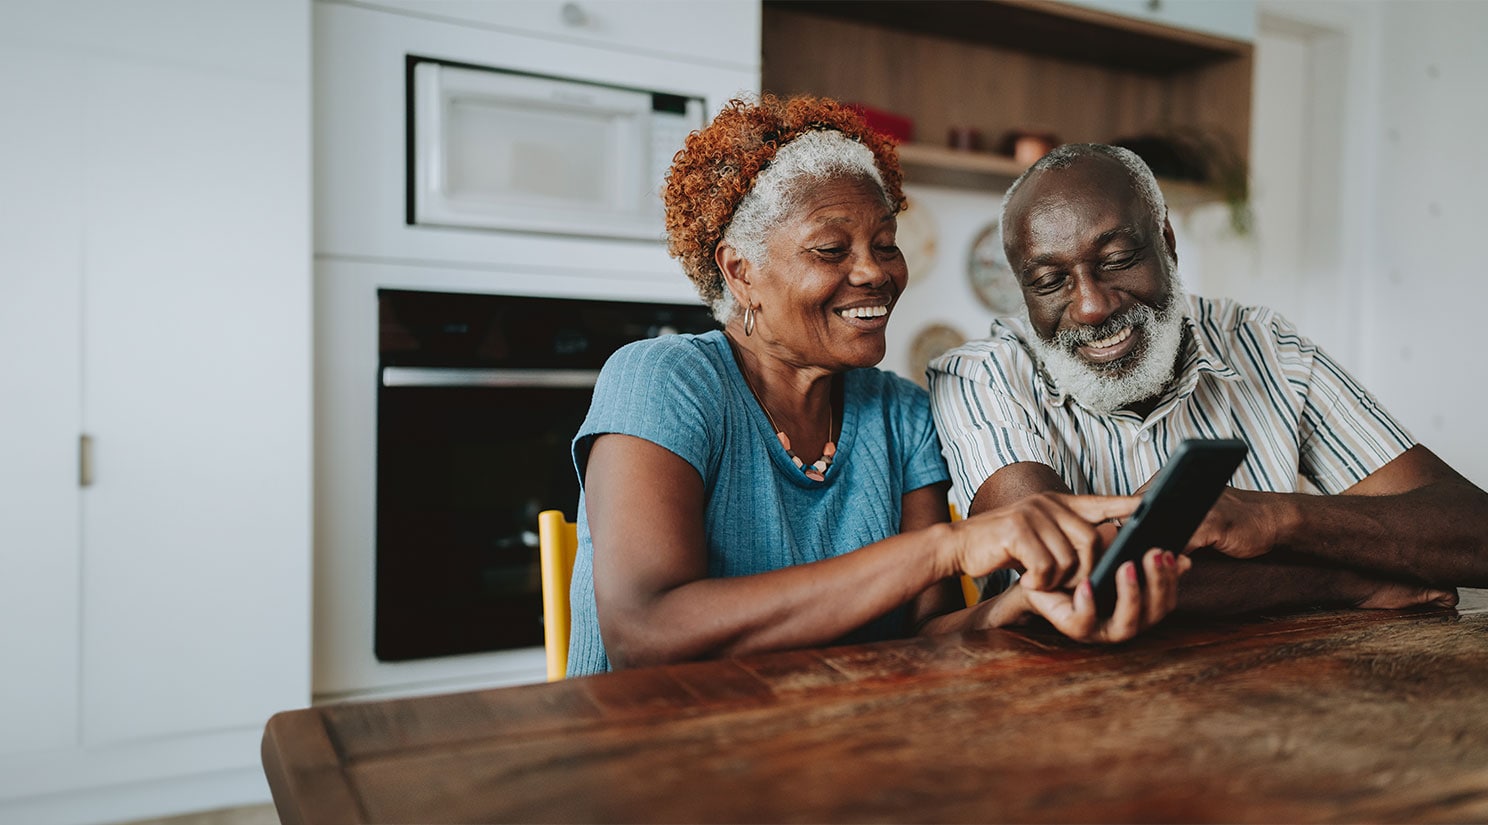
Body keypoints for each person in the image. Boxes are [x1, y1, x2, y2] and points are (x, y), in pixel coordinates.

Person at [566, 97, 1184, 677]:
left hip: (835, 751)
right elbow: (644, 632)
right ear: (740, 270)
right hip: (658, 759)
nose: (874, 272)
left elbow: (925, 637)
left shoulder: (901, 414)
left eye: (886, 244)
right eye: (832, 249)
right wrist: (949, 548)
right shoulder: (663, 380)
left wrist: (1017, 607)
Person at [930, 143, 1488, 613]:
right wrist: (1343, 581)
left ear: (1167, 244)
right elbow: (1069, 585)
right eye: (1051, 280)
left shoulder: (1269, 348)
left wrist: (1273, 516)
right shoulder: (982, 377)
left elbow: (1473, 532)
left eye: (1119, 257)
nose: (1092, 305)